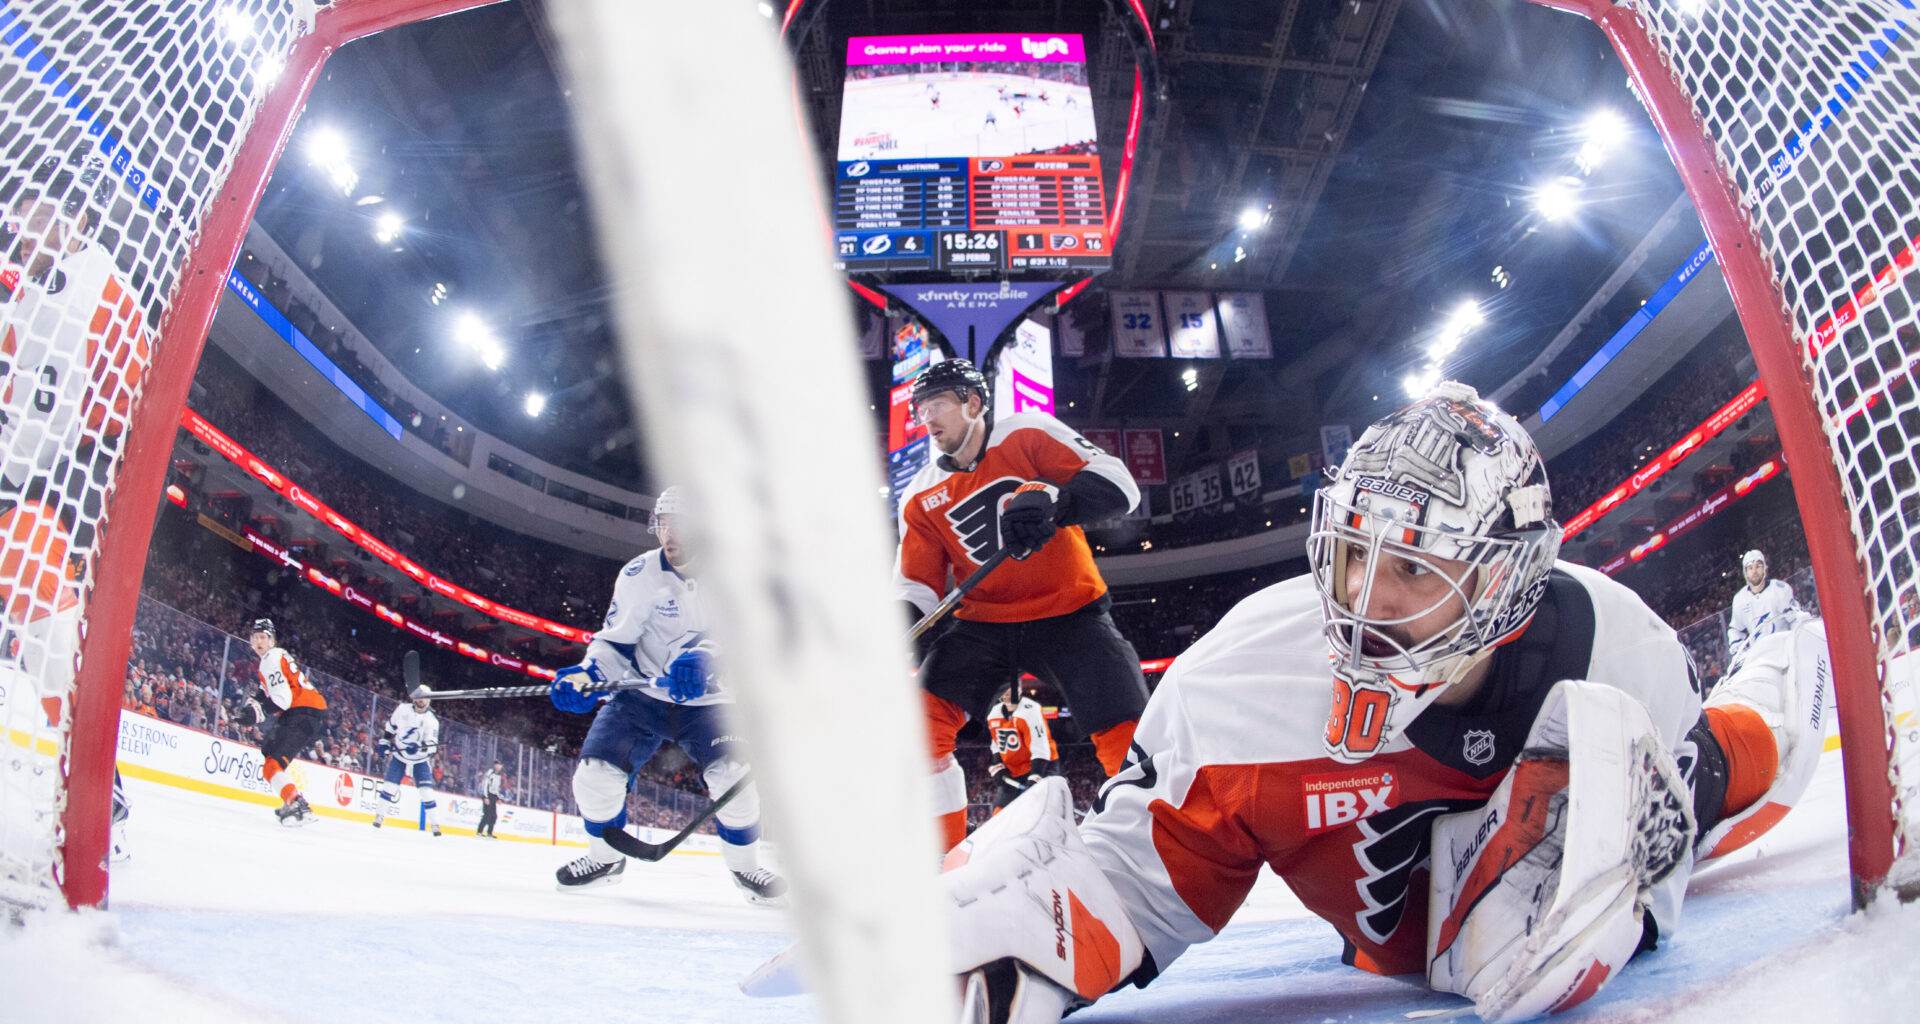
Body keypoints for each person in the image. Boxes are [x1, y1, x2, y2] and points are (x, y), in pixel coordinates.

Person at [939, 382, 1828, 1022]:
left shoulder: (1616, 648)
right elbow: (1133, 881)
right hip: (1392, 934)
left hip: (1645, 763)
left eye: (1410, 565)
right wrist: (1026, 961)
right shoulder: (1245, 678)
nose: (1362, 593)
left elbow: (1677, 800)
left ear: (1503, 579)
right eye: (1353, 551)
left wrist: (1621, 876)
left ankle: (1778, 678)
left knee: (1708, 775)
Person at [894, 358, 1148, 852]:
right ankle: (942, 866)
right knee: (918, 731)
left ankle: (1147, 854)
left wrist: (1057, 500)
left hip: (1069, 613)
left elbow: (1122, 487)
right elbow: (916, 586)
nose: (927, 418)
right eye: (921, 408)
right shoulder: (920, 492)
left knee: (1130, 734)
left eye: (938, 404)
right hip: (982, 625)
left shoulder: (1027, 433)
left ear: (973, 403)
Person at [547, 486, 786, 906]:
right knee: (593, 777)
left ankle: (745, 867)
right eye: (663, 523)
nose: (669, 534)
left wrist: (711, 660)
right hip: (644, 698)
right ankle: (605, 860)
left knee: (735, 782)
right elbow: (616, 644)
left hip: (713, 704)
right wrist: (590, 674)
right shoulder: (638, 575)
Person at [241, 619, 328, 827]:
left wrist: (256, 714)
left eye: (263, 637)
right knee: (271, 754)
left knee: (271, 764)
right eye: (256, 638)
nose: (259, 641)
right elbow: (268, 691)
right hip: (309, 713)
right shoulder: (277, 656)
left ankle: (298, 805)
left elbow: (282, 699)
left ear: (271, 641)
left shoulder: (270, 659)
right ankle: (292, 800)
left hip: (301, 712)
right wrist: (255, 704)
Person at [372, 687, 442, 836]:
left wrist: (420, 748)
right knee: (389, 787)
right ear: (414, 698)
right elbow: (390, 727)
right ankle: (379, 816)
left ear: (429, 700)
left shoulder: (431, 721)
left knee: (426, 792)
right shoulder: (403, 709)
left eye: (424, 697)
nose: (421, 700)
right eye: (419, 697)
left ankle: (435, 824)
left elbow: (431, 747)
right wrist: (385, 742)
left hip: (420, 760)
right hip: (399, 755)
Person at [984, 685, 1054, 812]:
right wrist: (998, 765)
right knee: (999, 813)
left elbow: (1040, 748)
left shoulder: (1030, 710)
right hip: (1013, 772)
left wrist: (1035, 776)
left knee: (1039, 814)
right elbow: (996, 744)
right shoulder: (994, 713)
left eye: (1010, 687)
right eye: (1002, 686)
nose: (1006, 692)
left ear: (1019, 688)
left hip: (1038, 768)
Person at [1727, 548, 1804, 661]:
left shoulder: (1779, 589)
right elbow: (1736, 629)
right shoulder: (1740, 599)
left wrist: (1796, 644)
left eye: (1758, 566)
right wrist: (1741, 652)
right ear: (1745, 573)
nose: (1754, 571)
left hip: (1785, 652)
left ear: (1765, 568)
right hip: (1760, 659)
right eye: (1750, 568)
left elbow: (1796, 619)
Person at [478, 760, 504, 838]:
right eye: (497, 765)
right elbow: (485, 784)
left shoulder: (499, 776)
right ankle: (479, 831)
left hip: (493, 796)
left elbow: (497, 788)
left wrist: (498, 797)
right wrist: (485, 797)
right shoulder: (490, 773)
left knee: (493, 816)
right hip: (488, 795)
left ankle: (489, 832)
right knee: (487, 814)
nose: (499, 766)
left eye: (500, 765)